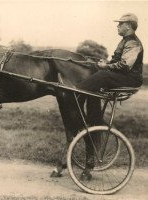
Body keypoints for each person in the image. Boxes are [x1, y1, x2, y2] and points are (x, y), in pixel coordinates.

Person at [52, 13, 144, 179]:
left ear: (128, 26)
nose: (118, 26)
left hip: (130, 79)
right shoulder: (125, 41)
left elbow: (124, 65)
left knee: (102, 75)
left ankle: (76, 90)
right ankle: (83, 92)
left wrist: (105, 66)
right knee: (100, 74)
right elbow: (117, 61)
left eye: (120, 24)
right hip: (125, 76)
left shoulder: (133, 42)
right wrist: (103, 63)